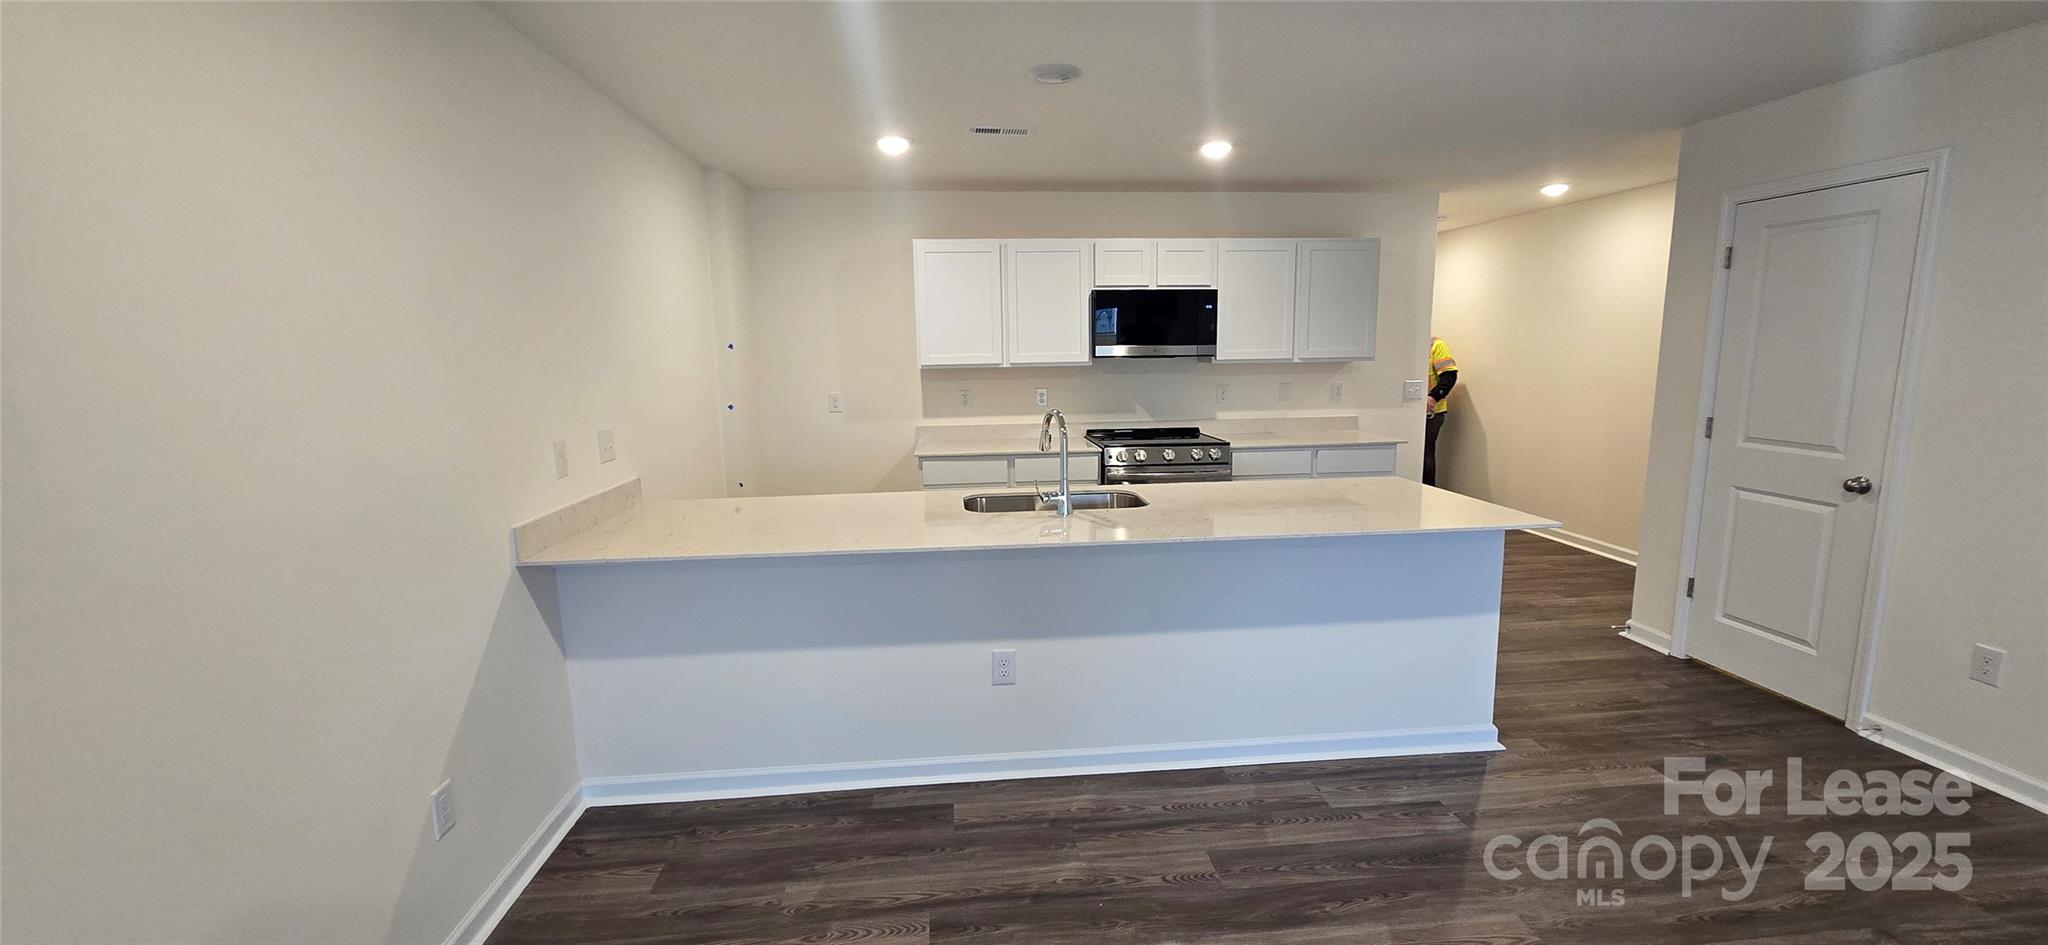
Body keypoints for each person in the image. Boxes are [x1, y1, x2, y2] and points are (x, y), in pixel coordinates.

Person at [1424, 335, 1458, 486]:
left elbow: (1449, 376)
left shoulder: (1437, 346)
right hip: (1412, 413)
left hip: (1431, 413)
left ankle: (1426, 496)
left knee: (1425, 459)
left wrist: (1433, 397)